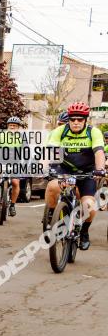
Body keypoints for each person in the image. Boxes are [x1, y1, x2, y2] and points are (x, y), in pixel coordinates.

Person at [44, 102, 106, 250]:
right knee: (52, 186)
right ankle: (51, 219)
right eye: (73, 119)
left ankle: (84, 231)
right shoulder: (61, 131)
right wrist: (44, 167)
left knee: (89, 205)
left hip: (87, 171)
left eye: (80, 119)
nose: (76, 122)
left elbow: (99, 152)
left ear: (85, 120)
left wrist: (100, 169)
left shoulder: (94, 132)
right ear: (69, 120)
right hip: (64, 168)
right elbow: (49, 152)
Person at [0, 116, 24, 217]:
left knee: (15, 182)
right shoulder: (1, 135)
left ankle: (12, 205)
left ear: (18, 127)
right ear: (7, 127)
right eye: (10, 126)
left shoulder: (22, 137)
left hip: (15, 162)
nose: (12, 127)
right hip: (1, 160)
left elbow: (26, 151)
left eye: (14, 126)